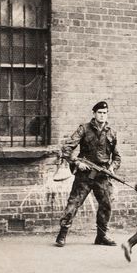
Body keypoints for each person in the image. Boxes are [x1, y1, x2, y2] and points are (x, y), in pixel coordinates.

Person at [55, 101, 121, 247]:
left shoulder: (111, 132)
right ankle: (62, 234)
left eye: (105, 113)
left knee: (106, 205)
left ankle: (101, 236)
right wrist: (77, 162)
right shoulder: (83, 129)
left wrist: (112, 168)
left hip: (102, 175)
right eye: (99, 112)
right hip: (84, 175)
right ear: (94, 113)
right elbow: (67, 148)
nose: (102, 115)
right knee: (74, 203)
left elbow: (117, 157)